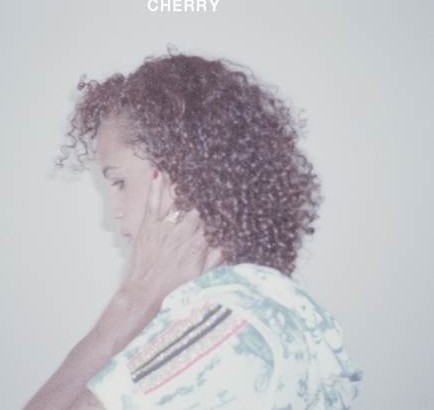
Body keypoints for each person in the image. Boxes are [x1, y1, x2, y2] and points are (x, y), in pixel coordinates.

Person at [24, 48, 364, 410]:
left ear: (179, 180)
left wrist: (132, 302)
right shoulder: (260, 306)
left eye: (119, 182)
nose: (113, 213)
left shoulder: (221, 324)